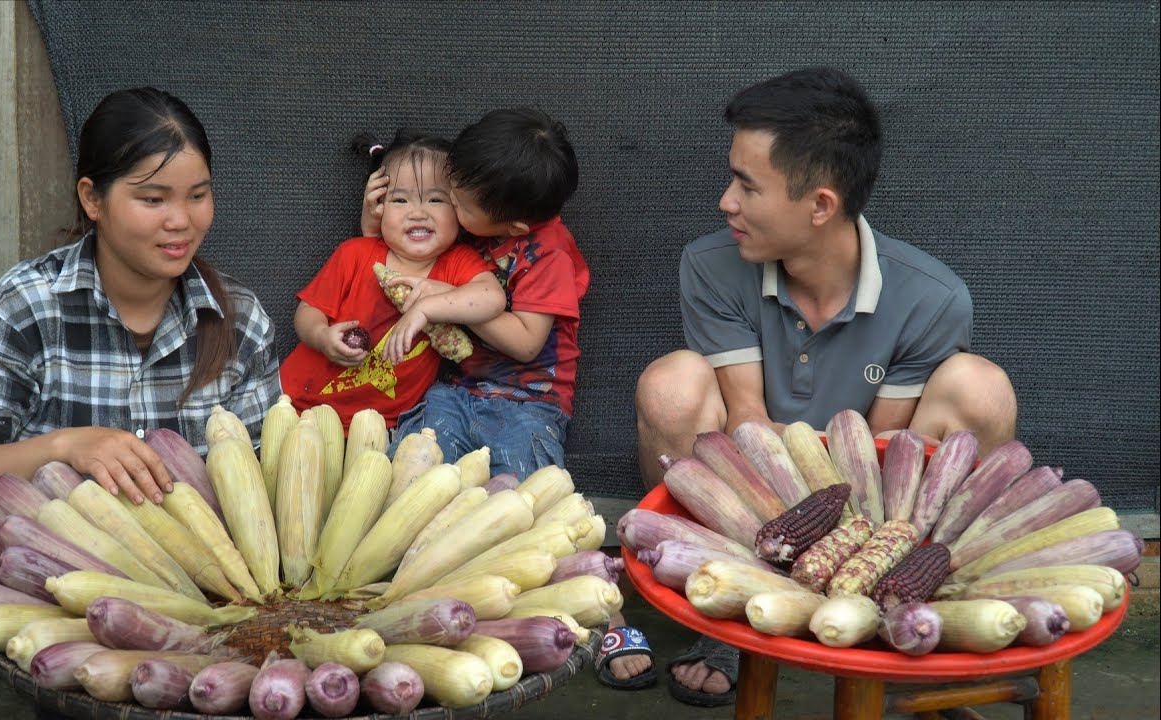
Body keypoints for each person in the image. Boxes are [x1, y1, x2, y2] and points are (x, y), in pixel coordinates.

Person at [627, 68, 1018, 705]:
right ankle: (725, 607)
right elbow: (746, 422)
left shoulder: (930, 296)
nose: (726, 201)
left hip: (875, 514)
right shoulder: (712, 265)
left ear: (820, 206)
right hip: (749, 501)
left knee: (982, 388)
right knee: (673, 382)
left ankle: (911, 608)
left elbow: (887, 456)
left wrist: (849, 525)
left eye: (747, 186)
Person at [0, 87, 281, 518]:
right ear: (92, 198)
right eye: (153, 199)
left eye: (198, 195)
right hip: (56, 578)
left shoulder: (239, 321)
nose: (181, 220)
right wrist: (67, 446)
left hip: (206, 583)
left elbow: (265, 487)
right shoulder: (25, 309)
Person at [361, 107, 588, 479]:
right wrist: (373, 220)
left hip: (528, 404)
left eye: (460, 203)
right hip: (455, 391)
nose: (450, 200)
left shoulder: (549, 255)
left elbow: (527, 342)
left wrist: (446, 300)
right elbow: (394, 267)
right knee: (409, 468)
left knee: (521, 489)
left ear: (514, 228)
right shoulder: (480, 220)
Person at [279, 131, 506, 428]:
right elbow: (308, 312)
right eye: (400, 200)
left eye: (436, 200)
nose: (418, 213)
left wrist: (427, 308)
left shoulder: (457, 263)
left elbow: (493, 297)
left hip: (384, 423)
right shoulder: (355, 253)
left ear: (460, 209)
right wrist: (322, 337)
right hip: (302, 403)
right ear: (378, 205)